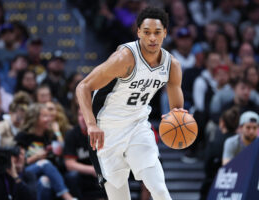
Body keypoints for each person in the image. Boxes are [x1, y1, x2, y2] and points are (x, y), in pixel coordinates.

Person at [76, 7, 186, 200]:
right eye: (147, 32)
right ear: (138, 32)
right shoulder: (124, 58)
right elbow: (83, 86)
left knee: (159, 189)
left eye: (157, 32)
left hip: (138, 126)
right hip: (106, 131)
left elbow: (177, 111)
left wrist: (180, 123)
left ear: (165, 33)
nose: (152, 38)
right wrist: (91, 124)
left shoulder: (172, 66)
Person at [64, 109, 106, 199]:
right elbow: (70, 164)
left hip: (100, 172)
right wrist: (92, 170)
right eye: (80, 115)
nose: (82, 119)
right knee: (72, 176)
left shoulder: (102, 131)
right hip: (83, 174)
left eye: (85, 115)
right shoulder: (72, 134)